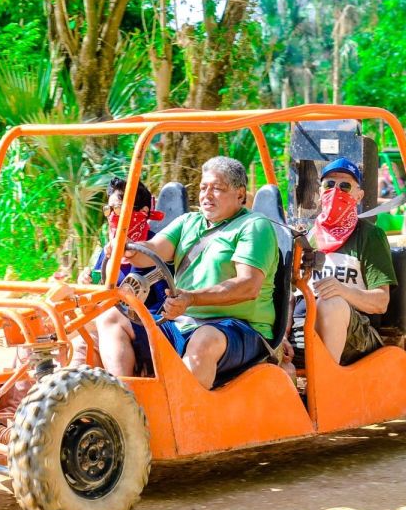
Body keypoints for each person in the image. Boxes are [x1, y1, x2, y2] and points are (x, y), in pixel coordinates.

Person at [96, 156, 279, 389]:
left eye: (217, 189)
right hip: (182, 324)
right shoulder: (188, 222)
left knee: (203, 340)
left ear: (240, 194)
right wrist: (128, 248)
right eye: (203, 188)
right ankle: (125, 402)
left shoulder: (254, 226)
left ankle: (185, 420)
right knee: (112, 318)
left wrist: (192, 298)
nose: (206, 195)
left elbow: (248, 286)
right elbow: (152, 251)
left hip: (240, 328)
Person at [299, 157, 397, 364]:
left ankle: (326, 381)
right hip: (305, 327)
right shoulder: (306, 237)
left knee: (331, 303)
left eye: (345, 186)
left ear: (358, 196)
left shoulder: (370, 236)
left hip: (356, 335)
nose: (336, 191)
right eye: (329, 184)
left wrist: (343, 291)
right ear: (320, 191)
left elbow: (381, 302)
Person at [70, 177, 167, 368]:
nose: (112, 215)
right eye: (108, 209)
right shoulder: (108, 252)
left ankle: (123, 393)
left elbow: (166, 305)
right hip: (107, 326)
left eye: (118, 209)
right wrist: (87, 285)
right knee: (71, 337)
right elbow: (100, 292)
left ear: (143, 212)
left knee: (96, 327)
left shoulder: (159, 249)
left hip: (148, 328)